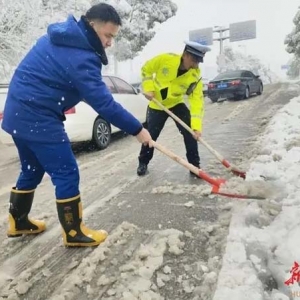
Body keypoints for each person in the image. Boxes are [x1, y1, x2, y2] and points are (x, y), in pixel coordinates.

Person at [1, 3, 152, 247]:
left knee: (31, 168)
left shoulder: (59, 37)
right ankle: (74, 232)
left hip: (17, 112)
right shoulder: (81, 55)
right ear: (92, 26)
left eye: (113, 37)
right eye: (107, 35)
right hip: (38, 116)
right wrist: (138, 129)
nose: (110, 42)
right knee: (66, 171)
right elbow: (103, 103)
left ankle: (18, 222)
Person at [136, 41, 211, 176]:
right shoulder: (166, 59)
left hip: (176, 104)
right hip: (156, 104)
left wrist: (196, 127)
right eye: (194, 60)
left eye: (199, 61)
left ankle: (194, 166)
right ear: (186, 55)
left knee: (190, 133)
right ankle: (143, 162)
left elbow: (197, 101)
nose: (196, 64)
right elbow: (146, 69)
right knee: (151, 135)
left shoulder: (194, 76)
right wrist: (148, 88)